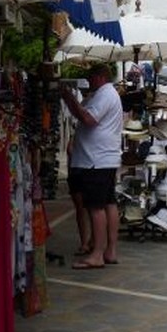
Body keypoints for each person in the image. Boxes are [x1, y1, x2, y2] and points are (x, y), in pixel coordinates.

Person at [60, 63, 123, 269]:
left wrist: (70, 99)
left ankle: (97, 253)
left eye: (91, 77)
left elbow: (88, 119)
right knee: (108, 203)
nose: (89, 81)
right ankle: (109, 250)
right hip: (103, 158)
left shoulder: (105, 94)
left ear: (101, 77)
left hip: (96, 160)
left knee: (96, 207)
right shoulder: (105, 94)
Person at [64, 79, 92, 256]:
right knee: (83, 208)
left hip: (86, 164)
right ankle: (86, 242)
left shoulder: (90, 114)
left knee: (88, 208)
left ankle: (90, 242)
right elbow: (70, 144)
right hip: (78, 165)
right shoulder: (81, 110)